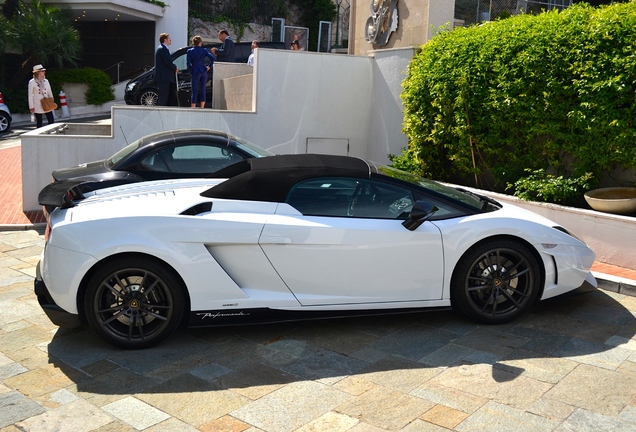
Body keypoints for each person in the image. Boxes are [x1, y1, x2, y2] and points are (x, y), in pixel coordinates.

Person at [187, 35, 216, 108]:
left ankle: (193, 106)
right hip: (203, 70)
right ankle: (202, 106)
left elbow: (188, 63)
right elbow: (212, 58)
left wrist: (191, 69)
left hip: (195, 71)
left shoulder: (190, 51)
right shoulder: (204, 50)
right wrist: (209, 66)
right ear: (200, 42)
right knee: (203, 89)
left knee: (194, 90)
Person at [155, 33, 179, 106]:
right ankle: (160, 112)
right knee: (163, 97)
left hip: (166, 77)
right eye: (169, 38)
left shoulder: (163, 49)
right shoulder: (162, 49)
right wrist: (175, 67)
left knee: (167, 97)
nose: (170, 40)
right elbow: (168, 62)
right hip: (164, 77)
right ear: (165, 40)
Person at [28, 64, 55, 128]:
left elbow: (49, 91)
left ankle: (50, 131)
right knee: (39, 121)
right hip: (37, 103)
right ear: (38, 72)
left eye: (44, 71)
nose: (44, 72)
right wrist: (31, 106)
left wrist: (52, 100)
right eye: (42, 71)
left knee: (51, 119)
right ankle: (39, 135)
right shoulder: (32, 82)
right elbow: (30, 95)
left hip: (46, 102)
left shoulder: (46, 81)